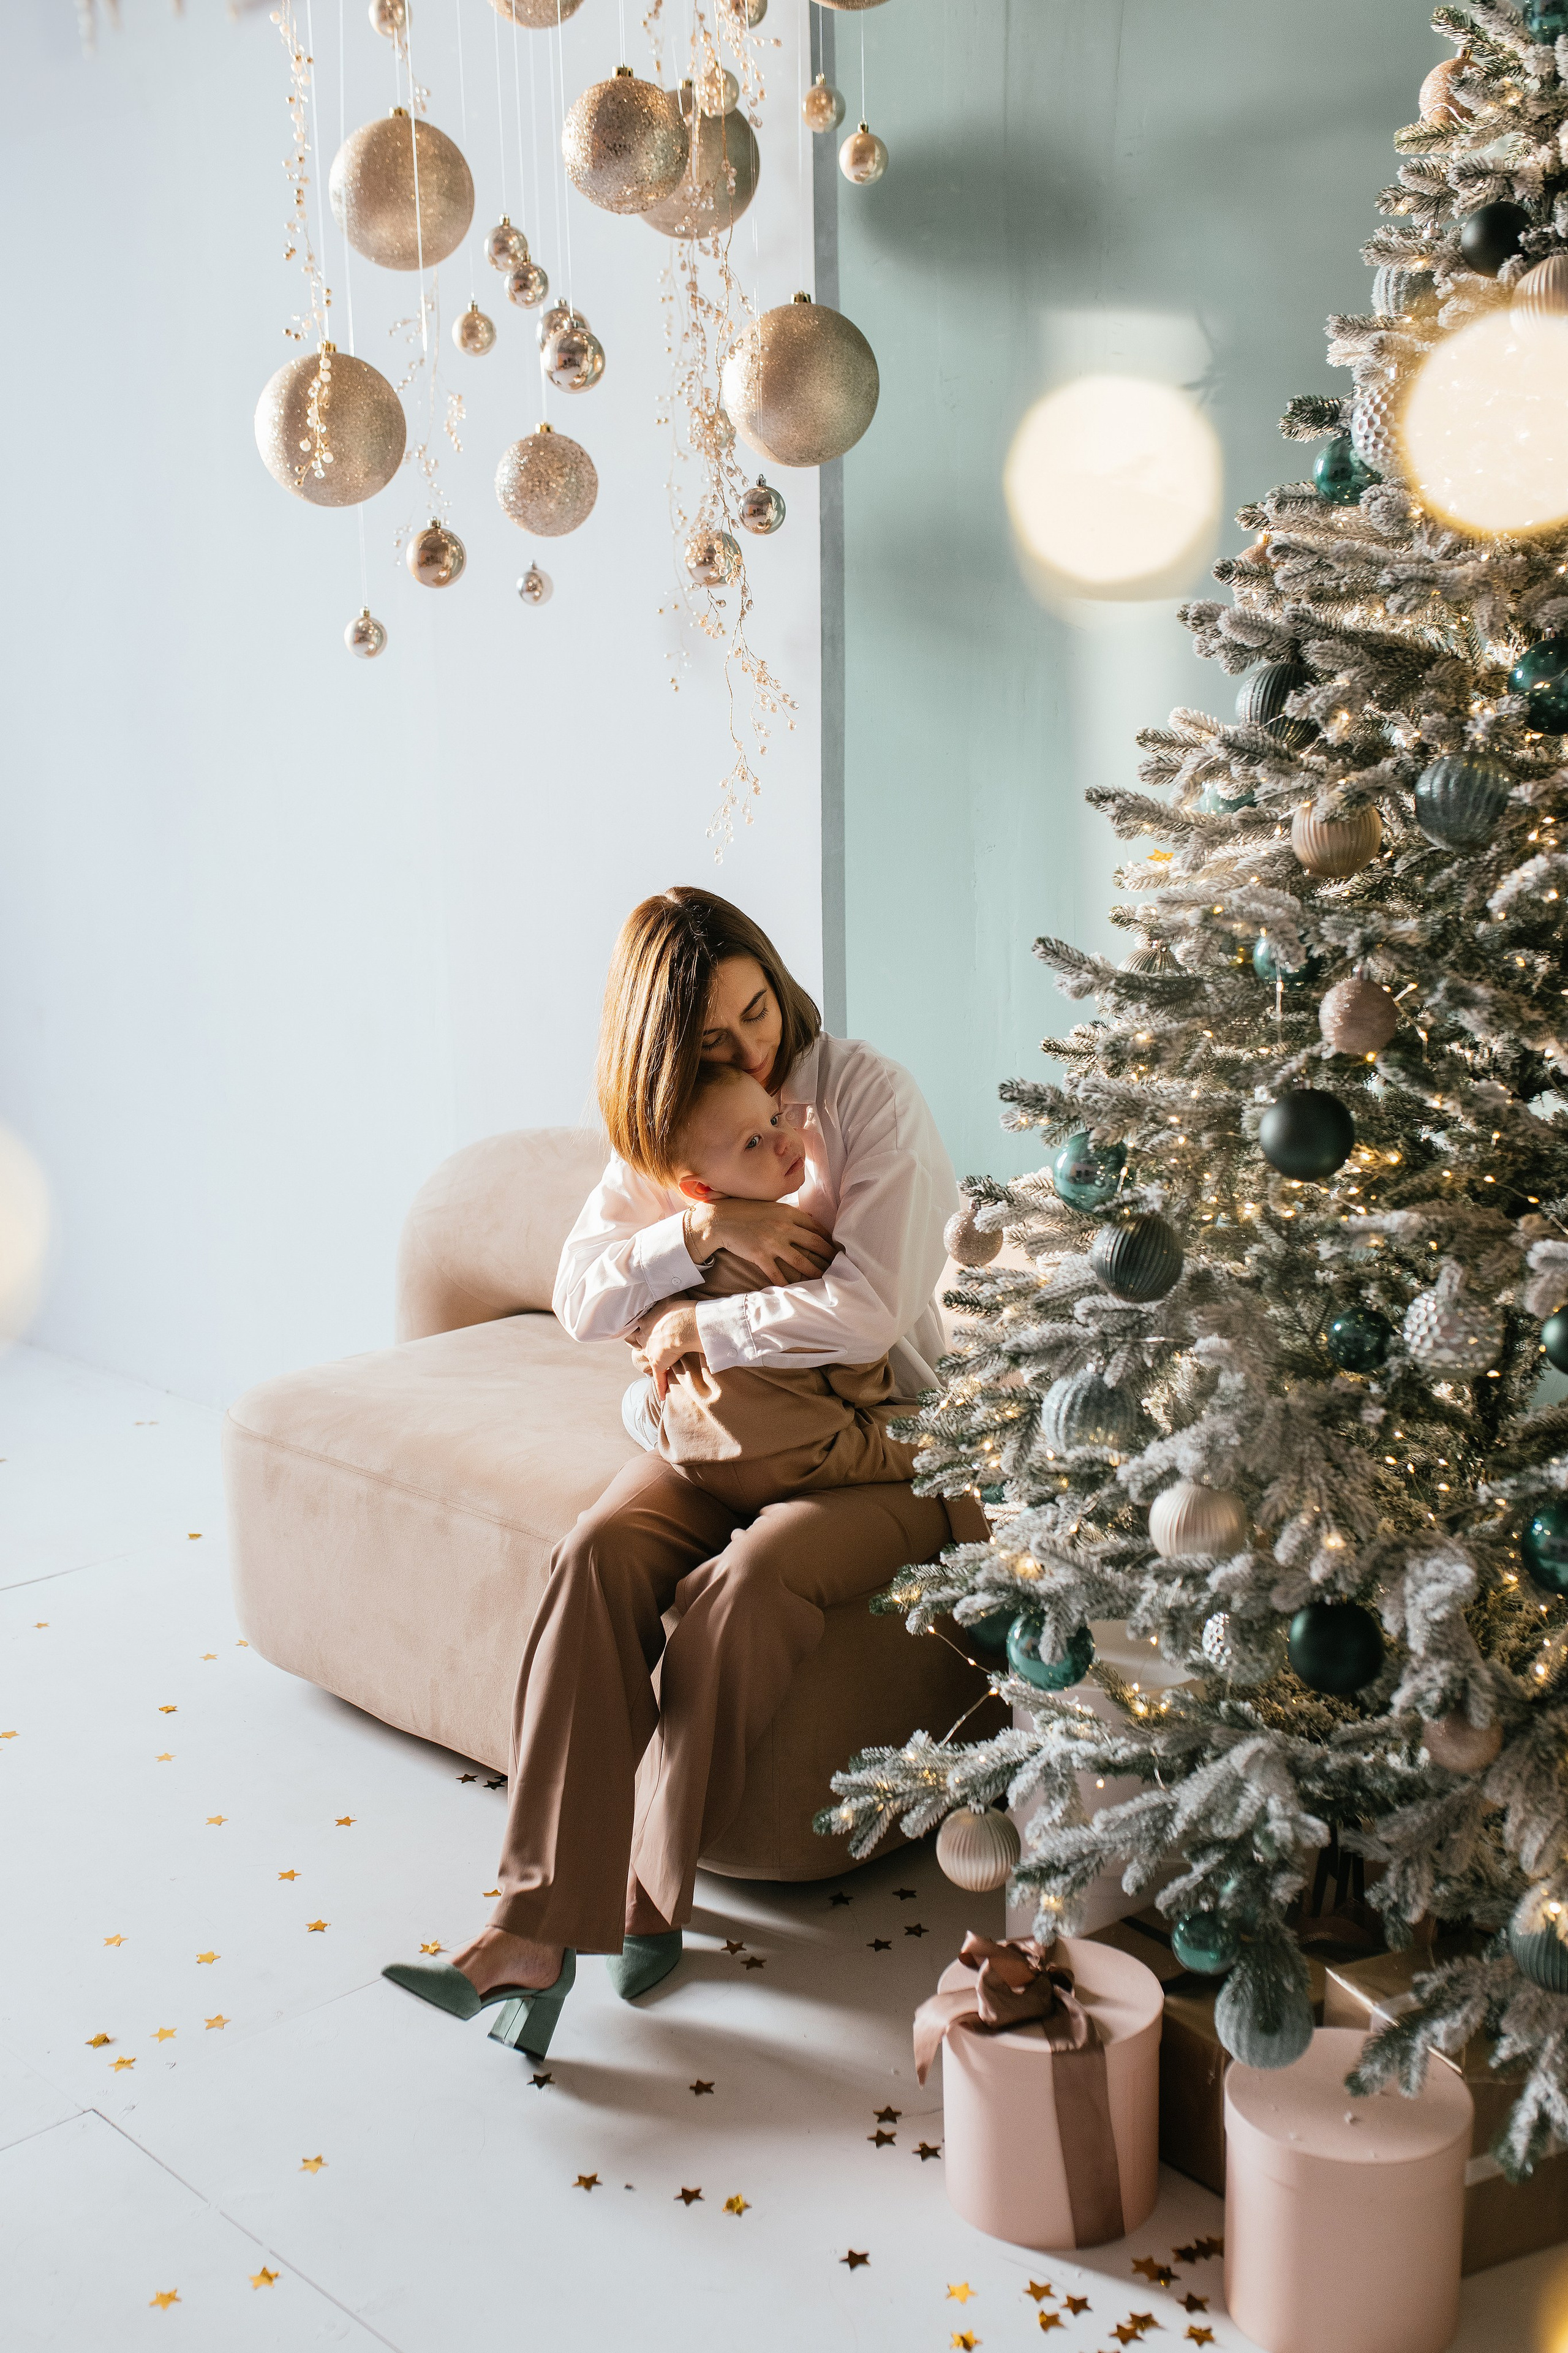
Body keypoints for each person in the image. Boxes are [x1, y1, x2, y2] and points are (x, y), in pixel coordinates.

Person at [383, 886, 981, 2057]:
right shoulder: (669, 1131)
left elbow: (865, 1315)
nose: (753, 1050)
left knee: (745, 1588)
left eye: (758, 1011)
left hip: (884, 1451)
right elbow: (581, 1294)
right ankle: (527, 1931)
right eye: (715, 1041)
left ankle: (649, 1899)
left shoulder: (865, 1097)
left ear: (776, 978)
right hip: (718, 1440)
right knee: (598, 1552)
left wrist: (701, 1326)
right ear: (667, 1053)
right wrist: (701, 1237)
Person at [624, 1058, 918, 1504]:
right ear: (701, 1189)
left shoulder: (678, 1253)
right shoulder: (792, 1245)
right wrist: (875, 1387)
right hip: (799, 1458)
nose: (784, 1140)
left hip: (694, 1455)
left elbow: (649, 1354)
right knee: (934, 1435)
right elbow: (854, 1368)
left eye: (776, 1117)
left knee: (637, 1401)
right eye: (754, 1141)